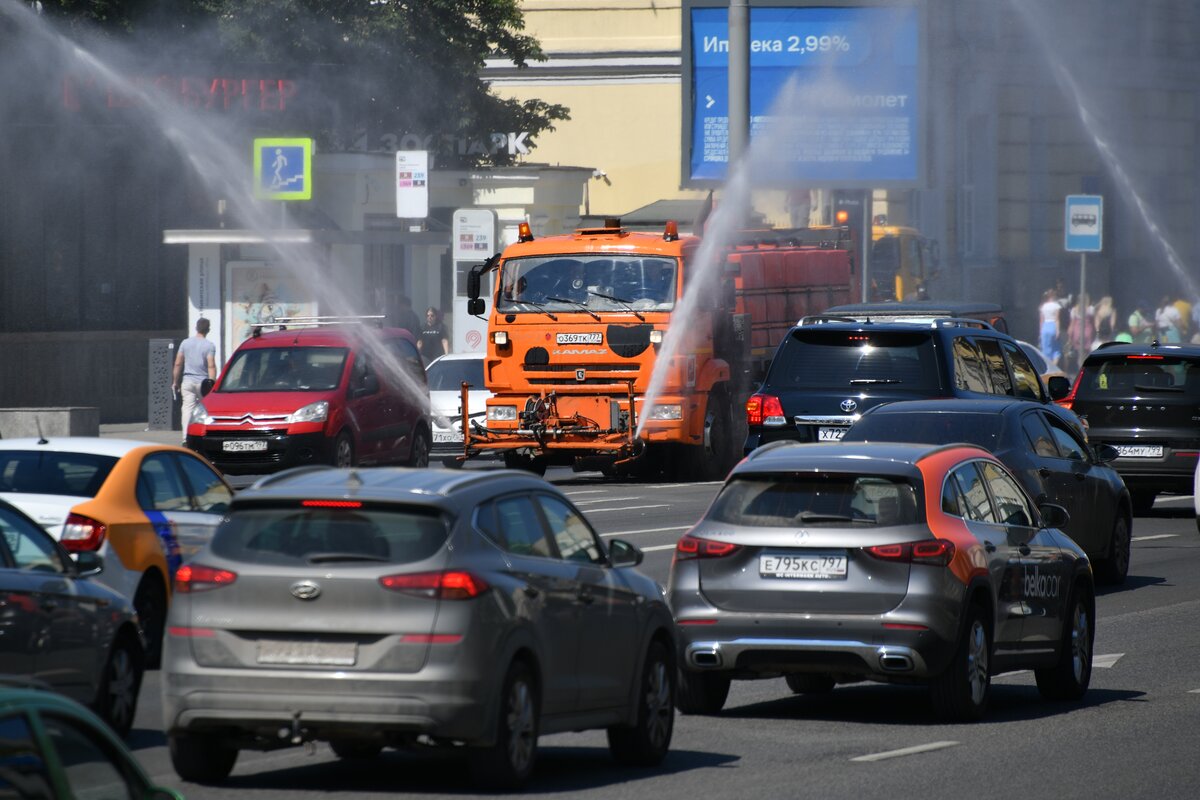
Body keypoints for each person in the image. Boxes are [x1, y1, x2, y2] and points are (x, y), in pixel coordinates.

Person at [173, 317, 217, 445]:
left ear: (196, 328)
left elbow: (178, 363)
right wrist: (212, 383)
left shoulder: (185, 343)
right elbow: (211, 366)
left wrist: (175, 381)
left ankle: (186, 438)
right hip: (202, 383)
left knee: (187, 409)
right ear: (208, 329)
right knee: (205, 409)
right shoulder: (209, 345)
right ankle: (204, 435)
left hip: (187, 381)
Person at [1038, 288, 1062, 363]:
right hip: (1053, 326)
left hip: (1045, 327)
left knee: (1046, 349)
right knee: (1056, 350)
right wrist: (1058, 330)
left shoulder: (1043, 306)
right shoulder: (1056, 306)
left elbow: (1041, 320)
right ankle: (1054, 367)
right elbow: (1057, 319)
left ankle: (1047, 367)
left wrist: (1041, 331)